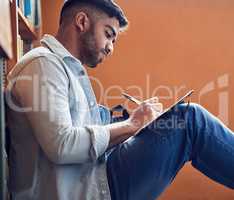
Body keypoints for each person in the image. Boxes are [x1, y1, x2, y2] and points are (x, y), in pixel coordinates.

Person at [5, 0, 234, 200]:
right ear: (82, 22)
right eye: (108, 34)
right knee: (190, 120)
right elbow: (62, 144)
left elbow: (79, 133)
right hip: (89, 189)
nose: (111, 48)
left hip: (98, 173)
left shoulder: (66, 69)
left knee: (173, 122)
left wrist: (134, 124)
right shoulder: (43, 64)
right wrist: (131, 125)